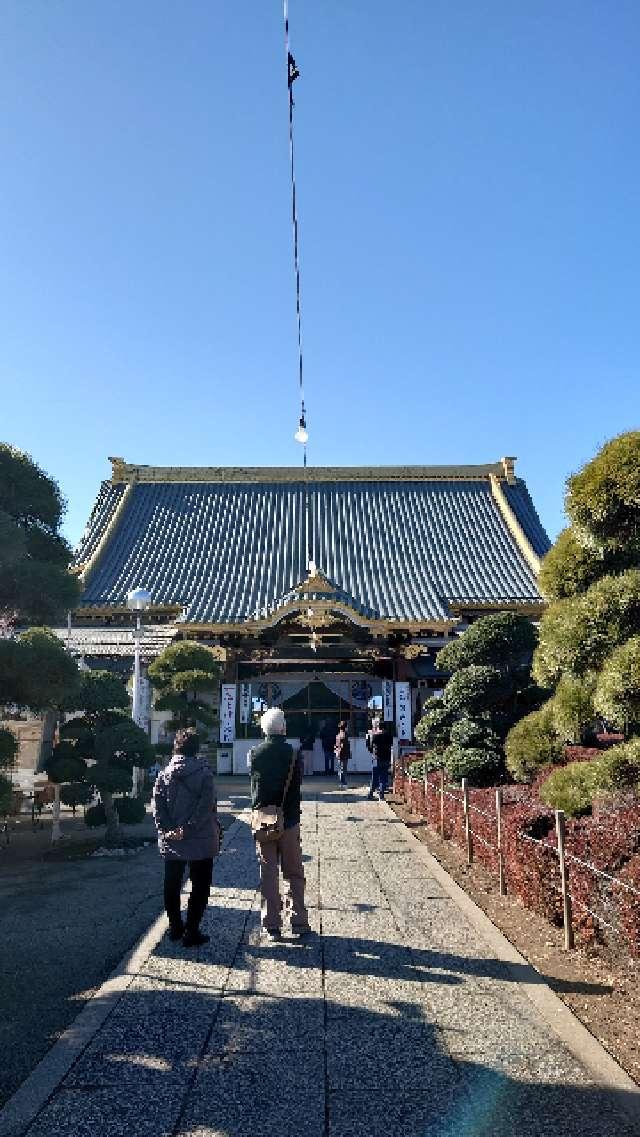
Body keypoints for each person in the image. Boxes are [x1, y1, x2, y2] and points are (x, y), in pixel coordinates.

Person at [152, 728, 220, 948]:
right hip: (199, 838)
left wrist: (168, 829)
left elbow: (157, 807)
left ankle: (174, 927)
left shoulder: (163, 774)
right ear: (196, 749)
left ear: (176, 747)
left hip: (172, 839)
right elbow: (205, 807)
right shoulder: (204, 773)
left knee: (172, 882)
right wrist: (188, 829)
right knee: (200, 884)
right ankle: (192, 930)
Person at [250, 707, 311, 940]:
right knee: (294, 871)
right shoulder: (294, 753)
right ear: (283, 728)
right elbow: (297, 784)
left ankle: (271, 923)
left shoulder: (255, 753)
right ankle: (298, 920)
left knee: (268, 872)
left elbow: (255, 790)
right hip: (290, 819)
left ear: (264, 729)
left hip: (264, 821)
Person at [366, 716, 393, 800]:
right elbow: (390, 746)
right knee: (383, 777)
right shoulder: (389, 736)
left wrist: (373, 753)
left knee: (374, 777)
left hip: (376, 758)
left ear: (379, 727)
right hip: (386, 758)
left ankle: (370, 793)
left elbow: (370, 747)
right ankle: (381, 795)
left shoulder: (375, 736)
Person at [334, 720, 351, 789]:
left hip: (339, 754)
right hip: (343, 754)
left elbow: (336, 745)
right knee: (343, 769)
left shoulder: (338, 734)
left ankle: (342, 783)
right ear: (345, 727)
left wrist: (336, 752)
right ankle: (343, 783)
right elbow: (344, 746)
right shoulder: (344, 735)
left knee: (340, 769)